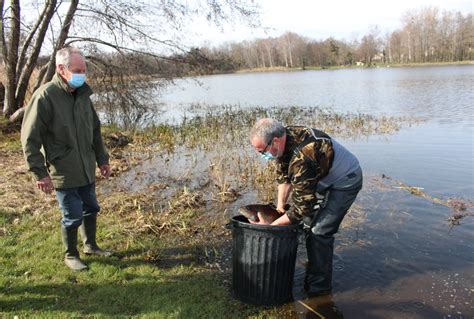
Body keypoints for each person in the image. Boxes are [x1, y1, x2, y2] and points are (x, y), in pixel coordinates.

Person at [21, 47, 112, 271]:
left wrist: (102, 159)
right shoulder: (45, 96)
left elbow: (95, 130)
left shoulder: (82, 95)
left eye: (84, 69)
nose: (82, 74)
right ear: (61, 69)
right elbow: (29, 138)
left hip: (86, 167)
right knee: (72, 215)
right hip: (62, 170)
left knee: (91, 208)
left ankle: (90, 246)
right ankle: (70, 254)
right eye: (77, 70)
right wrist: (39, 173)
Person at [249, 118, 363, 296]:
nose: (262, 155)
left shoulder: (302, 157)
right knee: (307, 224)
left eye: (262, 151)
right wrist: (280, 208)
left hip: (346, 180)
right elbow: (284, 177)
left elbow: (303, 207)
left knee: (320, 232)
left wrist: (271, 227)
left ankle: (319, 289)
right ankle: (314, 265)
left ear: (276, 141)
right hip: (321, 177)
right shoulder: (284, 140)